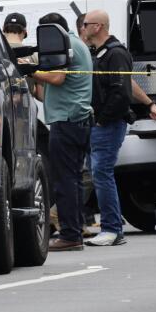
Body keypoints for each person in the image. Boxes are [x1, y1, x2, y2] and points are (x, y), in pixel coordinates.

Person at [32, 13, 94, 252]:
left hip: (67, 121)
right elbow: (52, 88)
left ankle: (69, 234)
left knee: (65, 181)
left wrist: (29, 70)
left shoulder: (65, 45)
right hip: (76, 119)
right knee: (74, 179)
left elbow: (57, 78)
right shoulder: (77, 44)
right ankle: (75, 231)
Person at [80, 10, 133, 247]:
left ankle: (112, 228)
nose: (82, 28)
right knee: (98, 173)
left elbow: (121, 92)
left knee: (102, 173)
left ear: (98, 26)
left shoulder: (116, 54)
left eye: (85, 24)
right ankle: (111, 227)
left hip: (108, 124)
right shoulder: (99, 53)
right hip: (100, 123)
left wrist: (102, 119)